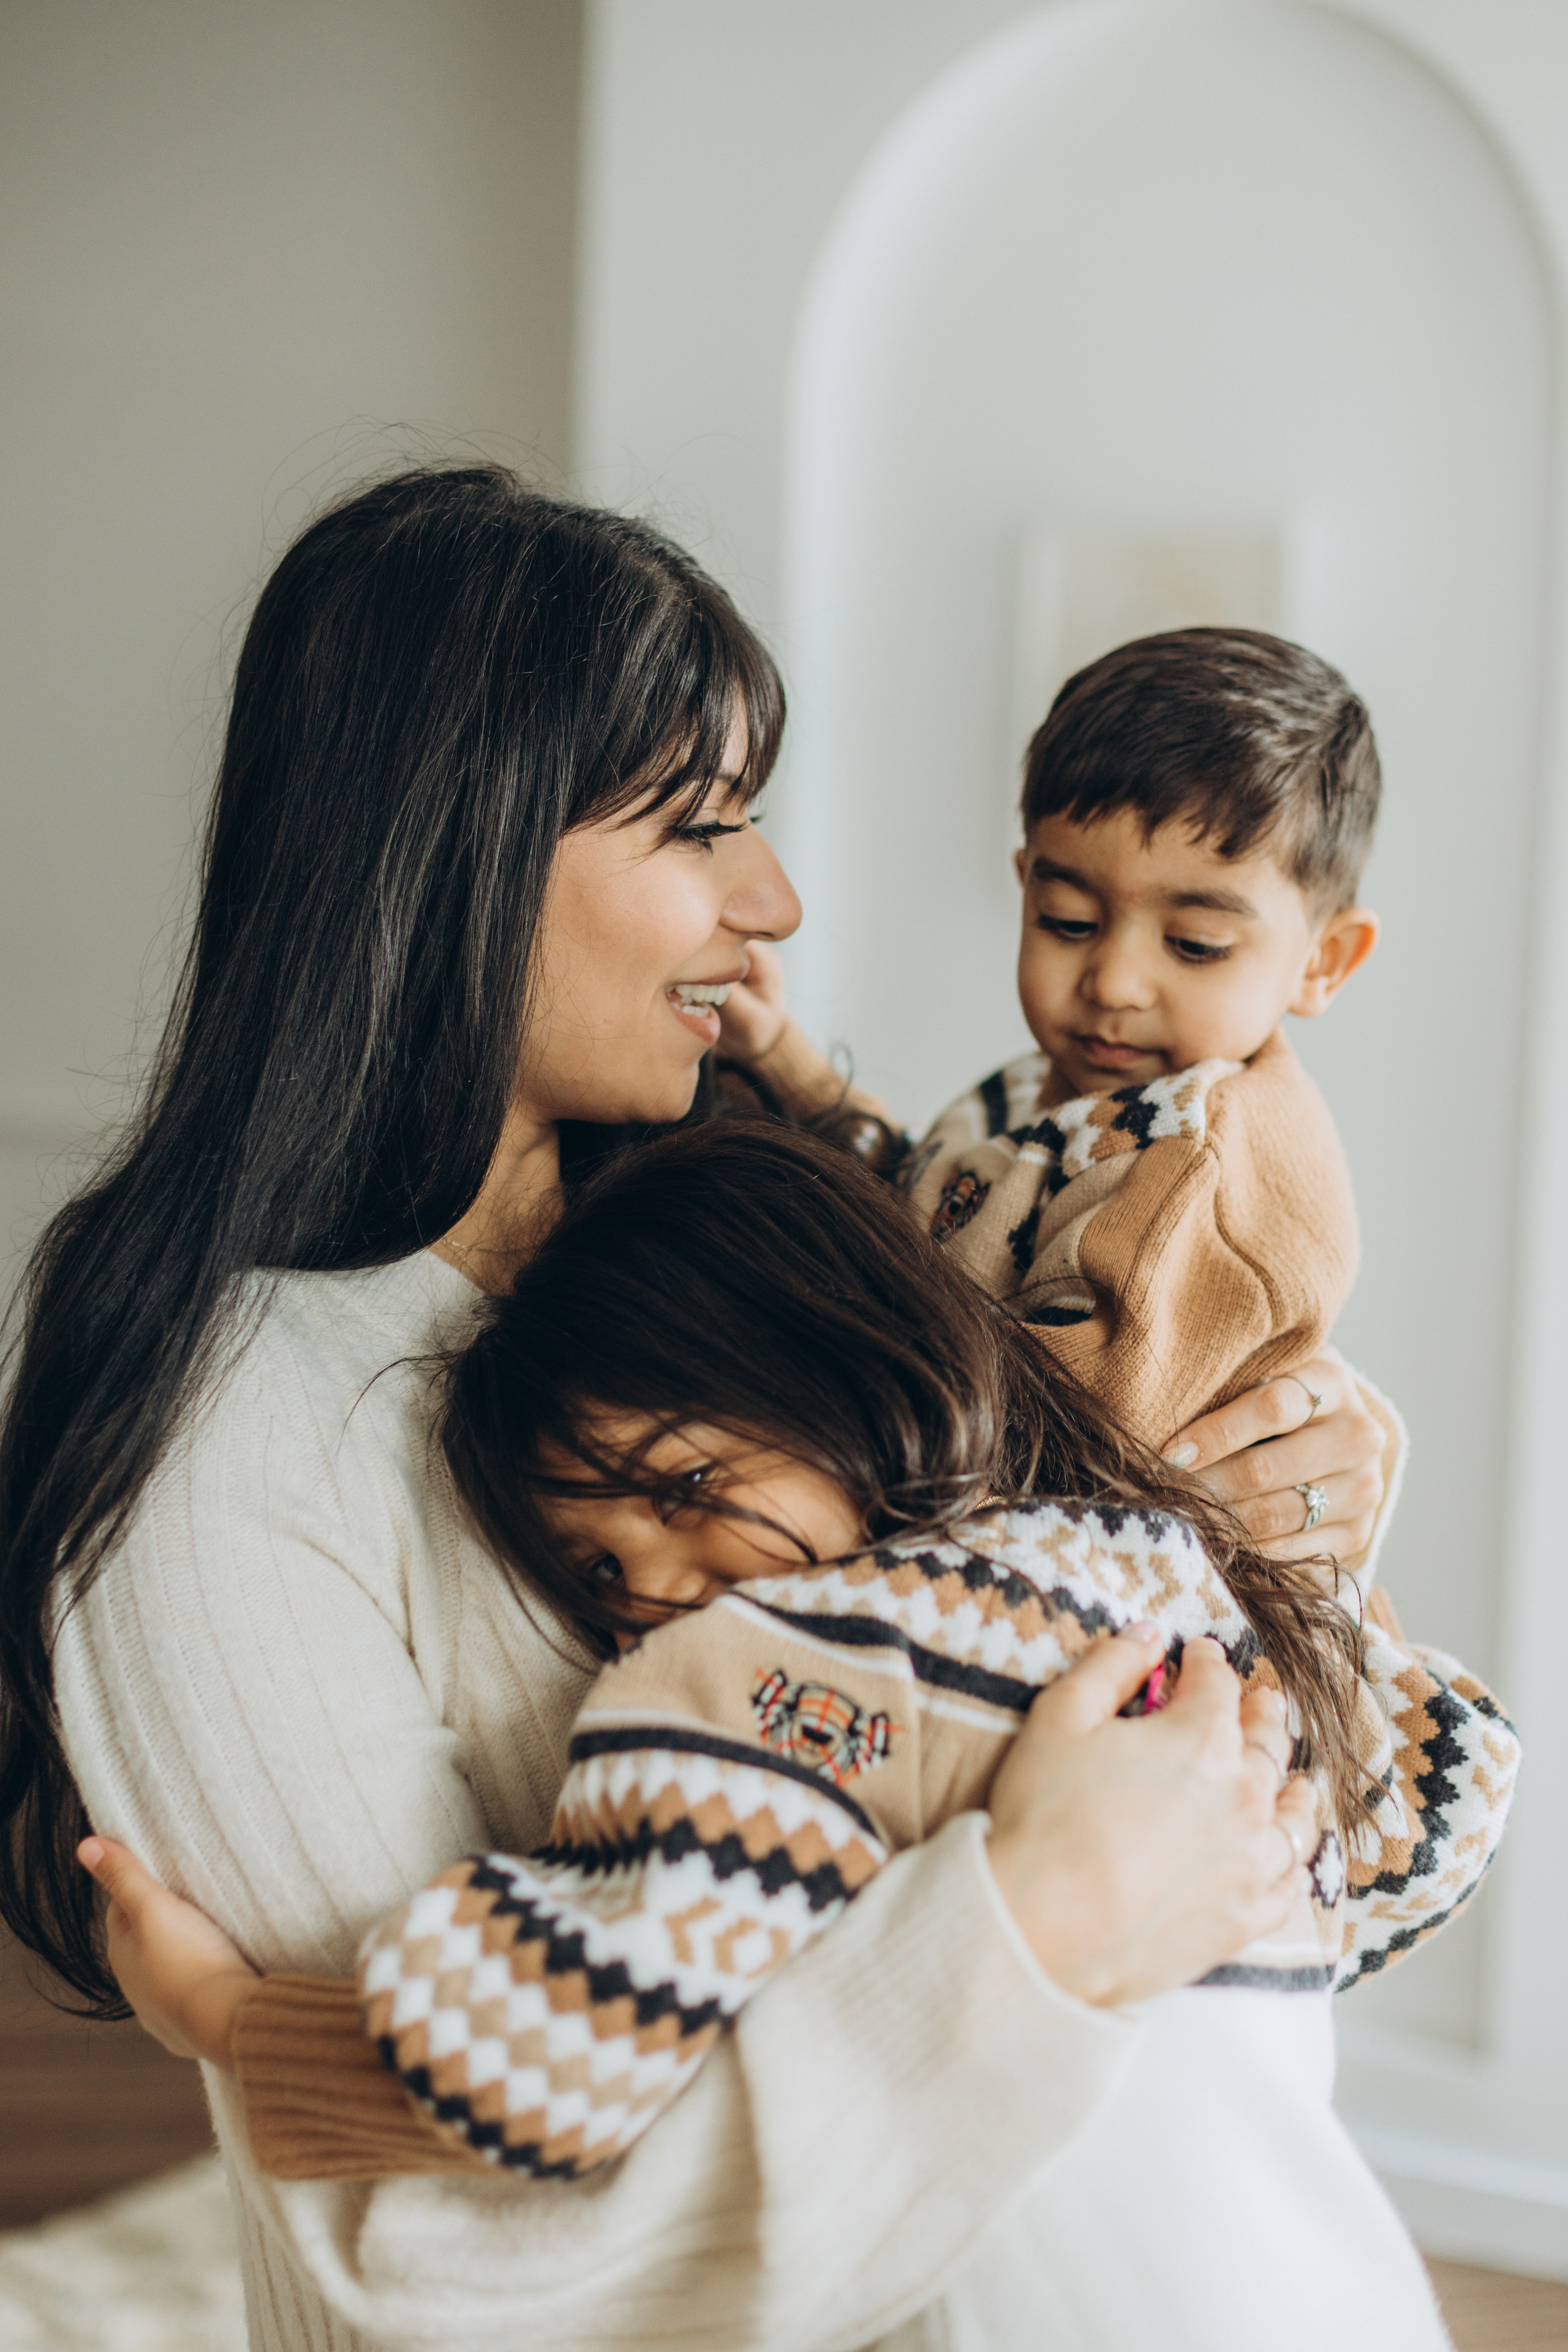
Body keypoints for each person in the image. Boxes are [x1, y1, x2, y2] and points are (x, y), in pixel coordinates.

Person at [0, 467, 1393, 2352]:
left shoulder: (737, 1228)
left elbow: (1139, 1645)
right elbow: (418, 2249)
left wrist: (1293, 1470)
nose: (774, 896)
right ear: (456, 848)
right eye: (698, 824)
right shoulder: (221, 1427)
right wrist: (1039, 1922)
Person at [80, 1121, 1510, 2352]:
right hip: (1325, 2286)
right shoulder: (1157, 1579)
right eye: (592, 1570)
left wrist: (231, 2022)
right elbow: (1440, 1805)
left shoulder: (790, 1673)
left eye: (686, 1482)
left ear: (842, 1363)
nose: (646, 1585)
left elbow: (571, 2044)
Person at [754, 628, 1389, 1506]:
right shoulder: (1068, 1091)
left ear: (1324, 962)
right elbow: (931, 1208)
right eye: (1069, 920)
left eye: (1195, 945)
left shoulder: (1204, 1162)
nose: (1115, 983)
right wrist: (781, 1058)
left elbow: (1066, 1430)